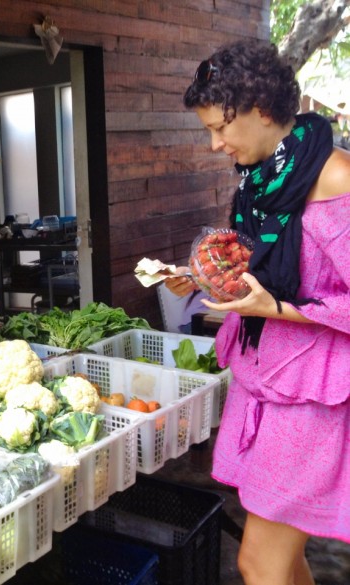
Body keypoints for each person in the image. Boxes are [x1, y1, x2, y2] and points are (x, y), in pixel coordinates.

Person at [166, 39, 350, 584]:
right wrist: (204, 276)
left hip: (311, 398)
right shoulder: (264, 176)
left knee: (256, 563)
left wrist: (282, 308)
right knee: (284, 561)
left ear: (263, 111)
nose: (216, 144)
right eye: (208, 131)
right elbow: (262, 260)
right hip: (264, 378)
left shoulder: (337, 179)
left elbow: (294, 290)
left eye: (221, 128)